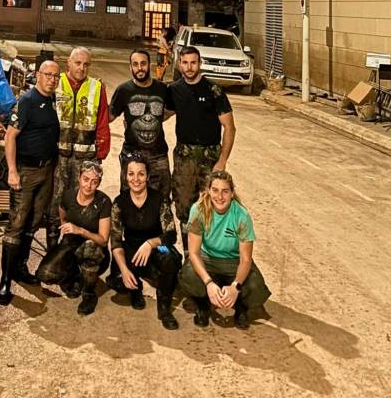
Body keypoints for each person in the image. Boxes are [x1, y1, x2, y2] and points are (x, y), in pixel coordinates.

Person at [107, 49, 173, 291]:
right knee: (128, 206)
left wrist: (155, 119)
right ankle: (126, 260)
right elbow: (108, 117)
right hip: (132, 156)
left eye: (143, 63)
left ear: (149, 65)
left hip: (158, 156)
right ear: (131, 67)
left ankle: (160, 251)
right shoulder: (124, 90)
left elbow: (172, 108)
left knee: (162, 203)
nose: (139, 67)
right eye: (135, 64)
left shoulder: (162, 90)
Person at [0, 60, 61, 306]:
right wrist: (12, 171)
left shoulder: (55, 102)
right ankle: (5, 281)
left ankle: (21, 268)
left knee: (33, 222)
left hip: (47, 171)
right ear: (37, 75)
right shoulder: (26, 101)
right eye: (48, 75)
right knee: (16, 223)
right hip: (26, 171)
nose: (52, 80)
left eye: (56, 76)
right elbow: (10, 137)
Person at [179, 171, 271, 329]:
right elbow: (193, 253)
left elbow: (246, 259)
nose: (220, 197)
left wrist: (236, 286)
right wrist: (208, 283)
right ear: (208, 190)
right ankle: (203, 304)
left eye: (225, 191)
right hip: (207, 259)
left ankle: (240, 307)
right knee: (188, 276)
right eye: (215, 190)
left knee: (255, 287)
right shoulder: (198, 210)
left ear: (232, 193)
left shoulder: (241, 216)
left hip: (234, 262)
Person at [168, 46, 236, 257]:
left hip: (210, 159)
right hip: (184, 158)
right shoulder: (174, 90)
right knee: (184, 208)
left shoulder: (213, 91)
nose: (189, 67)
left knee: (216, 206)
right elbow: (164, 113)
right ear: (180, 64)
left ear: (200, 64)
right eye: (185, 63)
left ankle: (214, 254)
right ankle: (190, 256)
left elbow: (229, 127)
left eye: (193, 62)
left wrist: (222, 161)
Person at [47, 47, 111, 253]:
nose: (82, 68)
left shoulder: (97, 88)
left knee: (81, 207)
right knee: (55, 204)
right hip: (58, 157)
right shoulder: (56, 84)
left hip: (85, 159)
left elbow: (102, 122)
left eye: (86, 64)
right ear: (69, 63)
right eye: (78, 63)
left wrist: (100, 155)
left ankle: (76, 250)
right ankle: (52, 251)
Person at [110, 154, 182, 330]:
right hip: (132, 248)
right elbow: (116, 242)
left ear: (148, 176)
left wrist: (151, 243)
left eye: (141, 174)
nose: (136, 179)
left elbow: (171, 235)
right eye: (131, 174)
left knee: (172, 257)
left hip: (158, 246)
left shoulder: (159, 199)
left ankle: (164, 308)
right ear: (126, 176)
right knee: (117, 280)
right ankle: (136, 290)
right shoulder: (119, 203)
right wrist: (125, 270)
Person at [35, 161, 111, 315]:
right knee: (45, 274)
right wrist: (68, 233)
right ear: (79, 178)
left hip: (95, 253)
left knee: (90, 246)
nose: (88, 185)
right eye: (85, 179)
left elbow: (103, 239)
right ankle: (73, 278)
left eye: (94, 182)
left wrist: (81, 231)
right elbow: (62, 217)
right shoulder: (68, 195)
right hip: (71, 244)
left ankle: (89, 293)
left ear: (99, 184)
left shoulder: (103, 202)